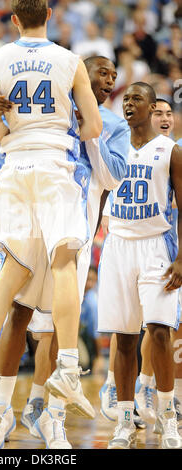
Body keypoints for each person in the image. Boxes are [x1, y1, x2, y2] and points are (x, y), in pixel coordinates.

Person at [0, 0, 102, 436]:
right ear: (50, 18)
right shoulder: (69, 60)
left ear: (14, 19)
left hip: (13, 169)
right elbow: (93, 127)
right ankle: (69, 368)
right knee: (63, 264)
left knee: (12, 276)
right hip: (53, 167)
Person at [0, 55, 130, 449]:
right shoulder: (46, 110)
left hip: (69, 230)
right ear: (79, 73)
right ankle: (1, 413)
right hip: (31, 220)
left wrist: (89, 133)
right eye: (102, 73)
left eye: (114, 76)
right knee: (19, 316)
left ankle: (52, 417)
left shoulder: (112, 125)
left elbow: (112, 176)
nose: (109, 81)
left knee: (60, 334)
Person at [97, 82, 182, 449]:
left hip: (156, 247)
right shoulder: (110, 146)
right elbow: (97, 195)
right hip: (117, 246)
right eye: (126, 99)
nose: (130, 104)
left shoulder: (170, 151)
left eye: (138, 99)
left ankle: (168, 417)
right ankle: (124, 420)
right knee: (125, 338)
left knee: (160, 332)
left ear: (153, 109)